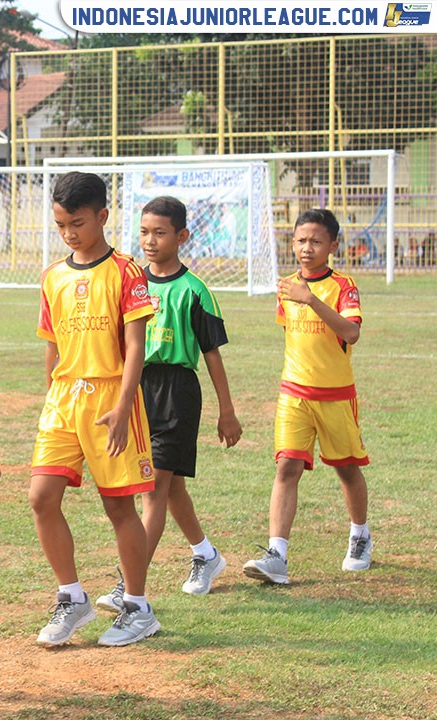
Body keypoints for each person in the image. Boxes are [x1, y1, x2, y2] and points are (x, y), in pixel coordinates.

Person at [29, 171, 160, 648]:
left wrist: (125, 407)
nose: (69, 233)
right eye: (61, 224)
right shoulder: (53, 277)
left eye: (77, 223)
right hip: (63, 400)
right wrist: (50, 396)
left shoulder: (126, 271)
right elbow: (52, 345)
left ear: (102, 216)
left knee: (118, 505)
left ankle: (139, 607)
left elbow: (135, 345)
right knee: (42, 497)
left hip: (111, 399)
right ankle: (72, 597)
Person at [95, 196, 243, 613]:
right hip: (137, 390)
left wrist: (226, 410)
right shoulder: (132, 283)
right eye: (144, 232)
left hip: (177, 392)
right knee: (170, 486)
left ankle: (129, 584)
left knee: (153, 490)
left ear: (181, 237)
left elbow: (212, 353)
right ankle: (206, 555)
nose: (150, 240)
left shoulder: (194, 291)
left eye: (160, 233)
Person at [244, 208, 372, 584]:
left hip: (335, 396)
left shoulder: (343, 286)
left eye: (316, 241)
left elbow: (351, 333)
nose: (306, 248)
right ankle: (277, 555)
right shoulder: (286, 288)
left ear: (332, 245)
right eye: (300, 240)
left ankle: (360, 534)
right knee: (287, 467)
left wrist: (311, 299)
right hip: (294, 393)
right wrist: (298, 296)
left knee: (347, 469)